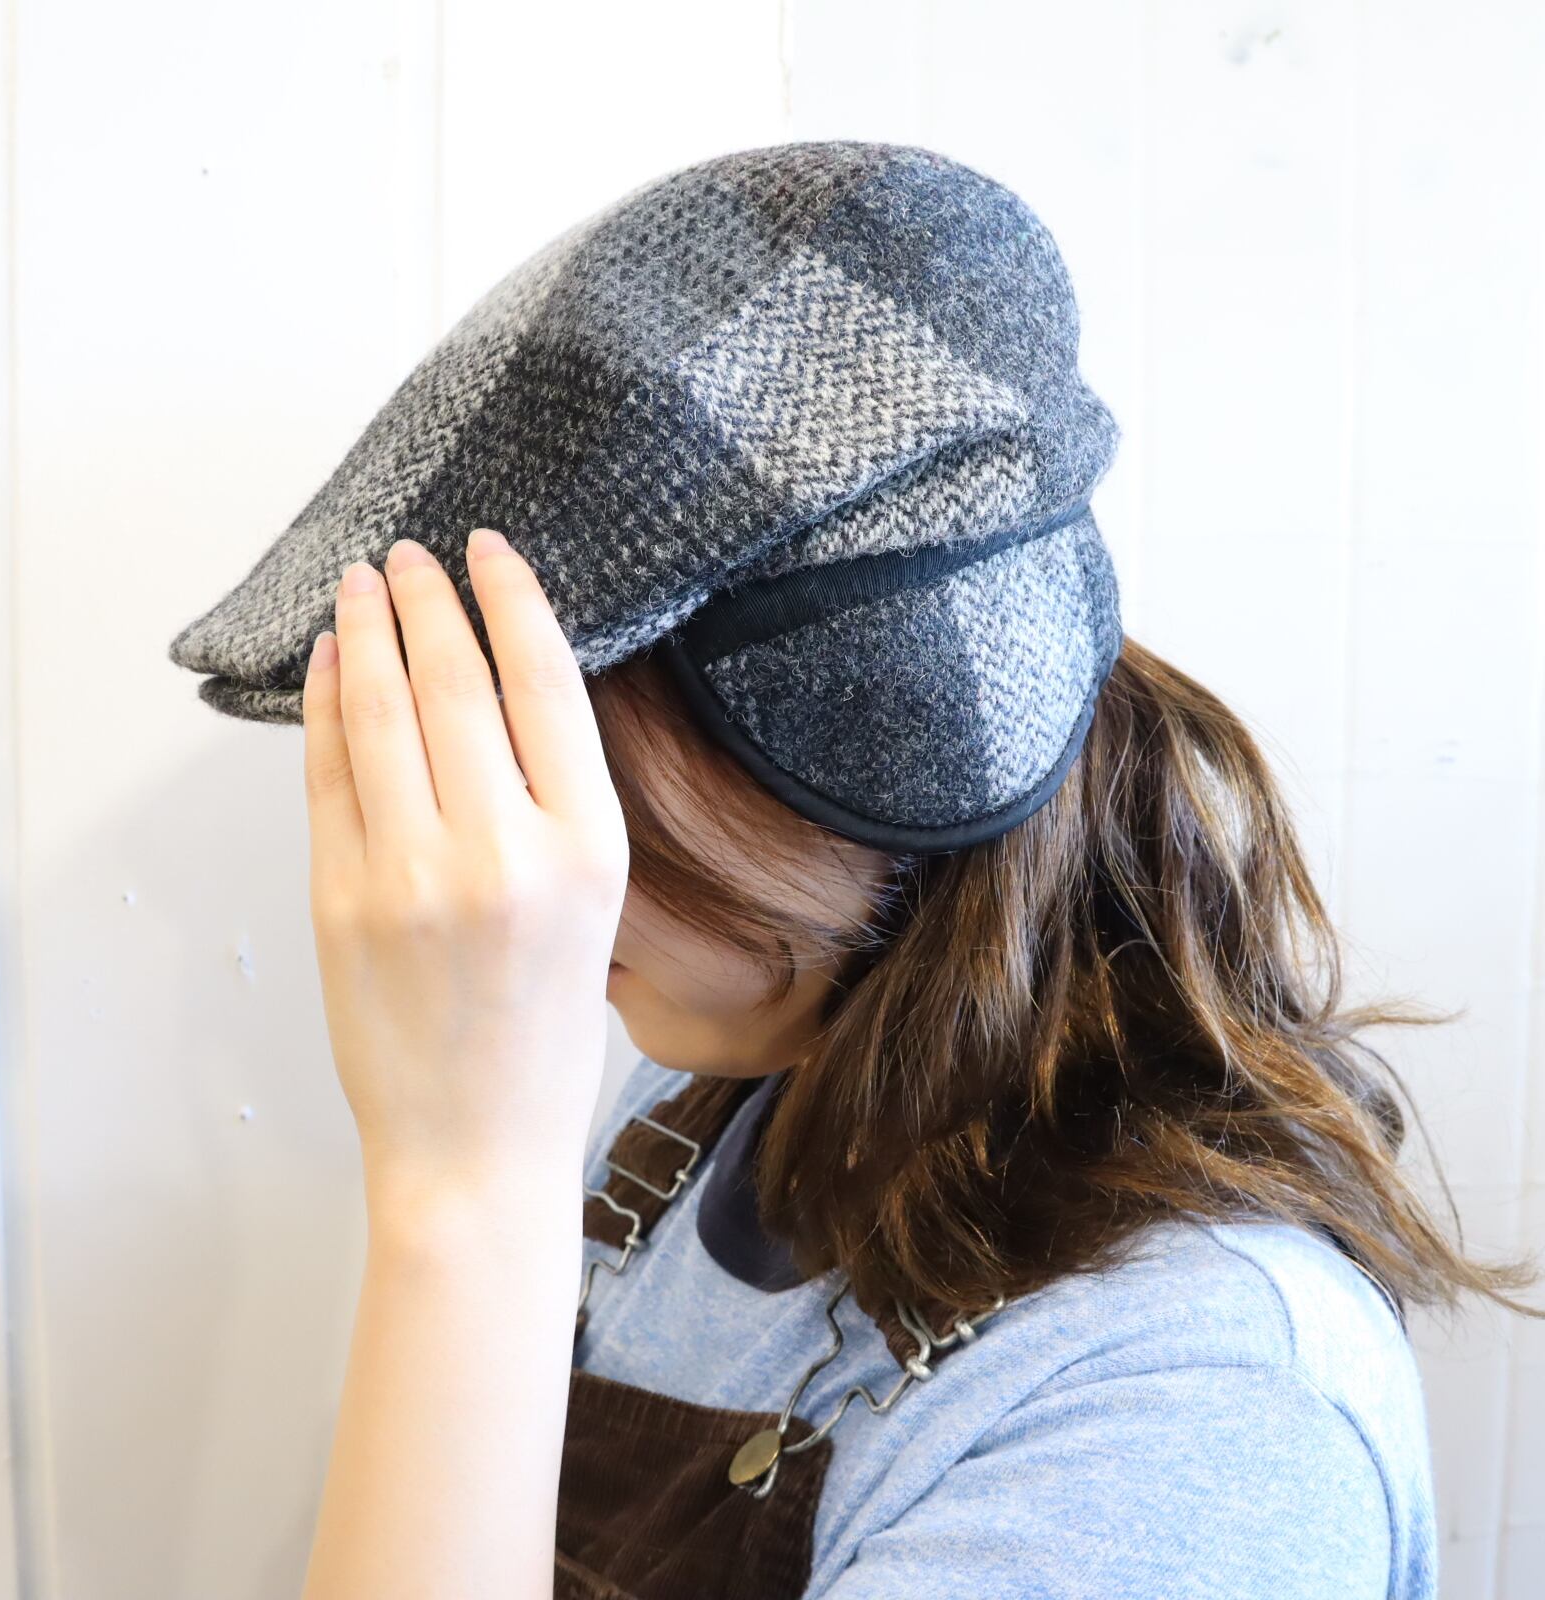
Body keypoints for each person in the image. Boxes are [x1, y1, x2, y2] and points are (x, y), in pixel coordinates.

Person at [164, 142, 1540, 1598]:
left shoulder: (1190, 1419)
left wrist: (463, 1191)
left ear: (876, 753)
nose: (497, 870)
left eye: (561, 761)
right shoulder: (712, 1117)